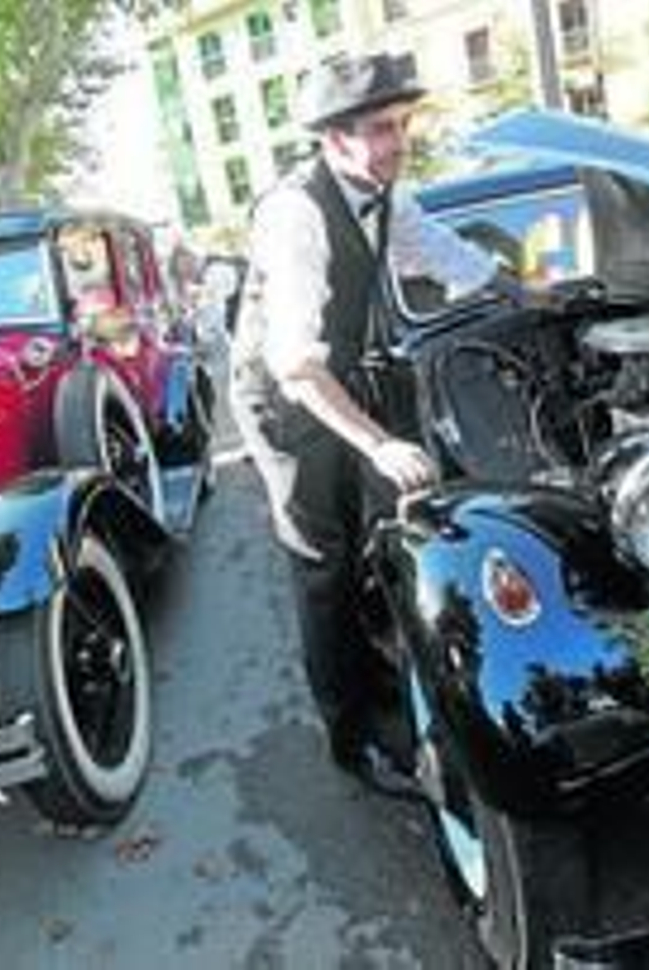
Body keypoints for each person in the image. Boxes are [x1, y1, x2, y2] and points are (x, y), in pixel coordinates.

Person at [229, 52, 534, 798]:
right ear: (332, 139)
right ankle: (351, 739)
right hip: (281, 393)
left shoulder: (384, 192)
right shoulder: (296, 214)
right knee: (321, 560)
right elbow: (297, 364)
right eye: (377, 130)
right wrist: (379, 440)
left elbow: (437, 251)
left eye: (401, 125)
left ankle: (379, 679)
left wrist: (528, 294)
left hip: (331, 376)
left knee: (366, 530)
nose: (397, 142)